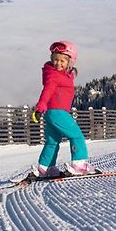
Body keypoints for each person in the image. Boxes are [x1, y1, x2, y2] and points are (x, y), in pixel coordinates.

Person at [32, 41, 96, 177]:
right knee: (76, 135)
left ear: (69, 62)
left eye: (62, 61)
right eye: (55, 60)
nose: (58, 63)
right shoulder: (54, 76)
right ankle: (79, 164)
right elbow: (47, 91)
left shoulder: (61, 75)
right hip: (58, 112)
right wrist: (40, 107)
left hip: (51, 113)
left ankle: (46, 168)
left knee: (52, 141)